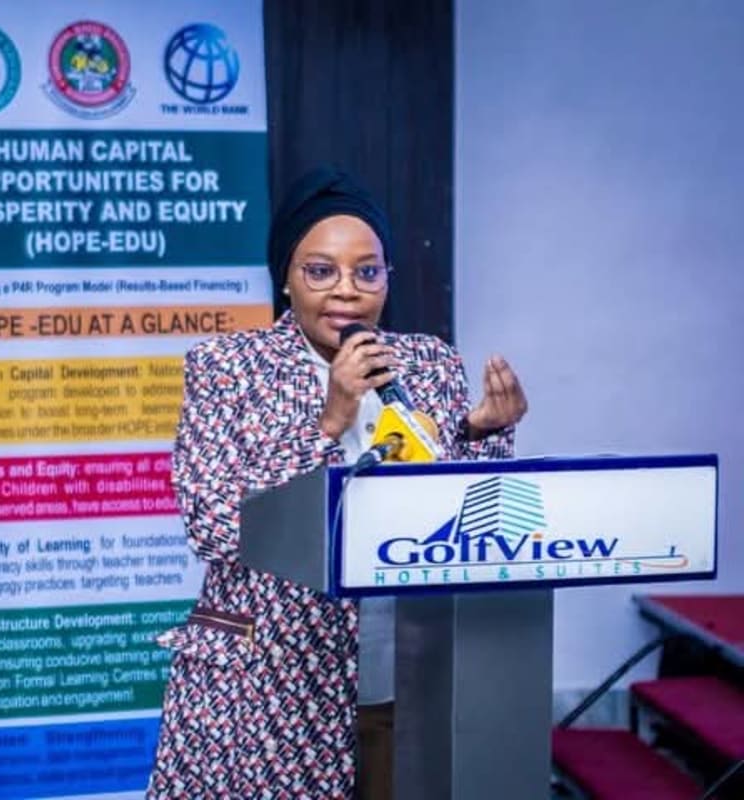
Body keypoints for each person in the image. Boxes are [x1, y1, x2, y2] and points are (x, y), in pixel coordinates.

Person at [146, 167, 528, 799]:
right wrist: (330, 420)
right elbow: (213, 525)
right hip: (265, 684)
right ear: (286, 280)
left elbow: (462, 517)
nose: (346, 291)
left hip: (404, 670)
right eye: (320, 271)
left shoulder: (429, 362)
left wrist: (481, 432)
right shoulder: (226, 368)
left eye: (367, 271)